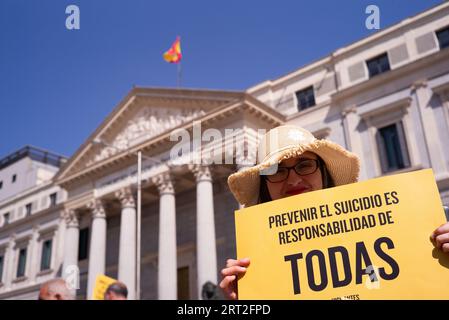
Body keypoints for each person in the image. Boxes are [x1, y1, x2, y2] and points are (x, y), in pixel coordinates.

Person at [219, 125, 449, 299]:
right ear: (265, 185)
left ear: (324, 172)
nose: (293, 178)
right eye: (276, 170)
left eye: (305, 164)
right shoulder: (255, 266)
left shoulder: (406, 222)